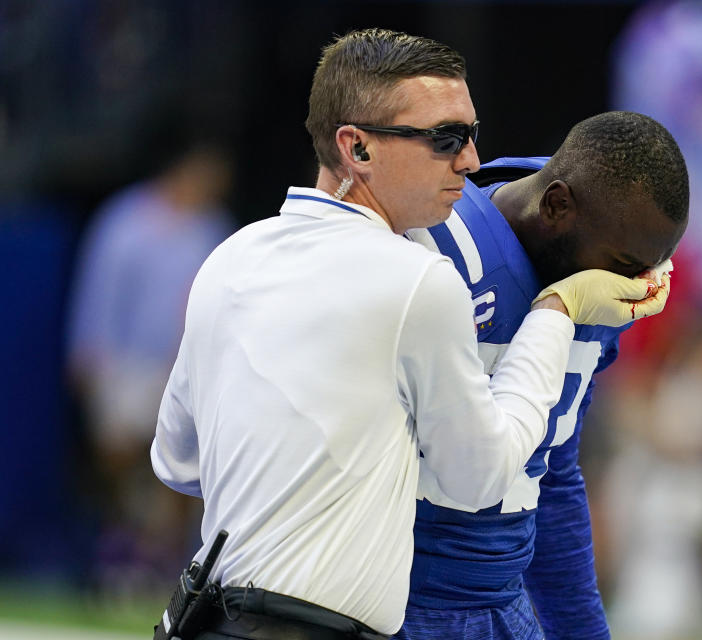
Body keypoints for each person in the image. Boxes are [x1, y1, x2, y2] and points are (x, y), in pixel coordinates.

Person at [150, 30, 667, 640]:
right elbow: (485, 475)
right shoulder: (420, 279)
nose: (471, 160)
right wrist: (558, 308)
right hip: (327, 624)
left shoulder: (230, 256)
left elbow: (175, 459)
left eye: (473, 134)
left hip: (211, 617)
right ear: (357, 147)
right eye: (445, 138)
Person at [398, 111, 689, 640]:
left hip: (500, 597)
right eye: (626, 266)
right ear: (556, 205)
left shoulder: (606, 244)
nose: (637, 289)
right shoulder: (426, 239)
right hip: (396, 596)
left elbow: (550, 472)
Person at [66, 128, 234, 591]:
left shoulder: (211, 227)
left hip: (182, 368)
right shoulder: (126, 219)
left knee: (180, 472)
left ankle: (164, 560)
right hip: (126, 363)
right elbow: (100, 288)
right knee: (118, 461)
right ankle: (115, 548)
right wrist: (88, 350)